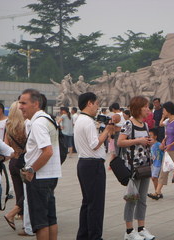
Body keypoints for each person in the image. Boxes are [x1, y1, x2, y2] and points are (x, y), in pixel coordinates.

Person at [18, 88, 62, 240]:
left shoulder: (37, 123)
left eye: (24, 103)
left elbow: (47, 151)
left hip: (39, 177)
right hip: (51, 175)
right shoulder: (48, 119)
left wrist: (31, 170)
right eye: (19, 103)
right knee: (51, 218)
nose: (20, 106)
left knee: (40, 222)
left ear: (36, 104)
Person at [74, 92, 114, 240]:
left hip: (84, 164)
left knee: (87, 202)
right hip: (93, 165)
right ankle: (95, 236)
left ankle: (83, 235)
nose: (97, 107)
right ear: (89, 103)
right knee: (96, 204)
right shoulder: (88, 121)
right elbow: (95, 144)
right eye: (96, 104)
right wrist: (107, 131)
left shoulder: (80, 119)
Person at [118, 96, 155, 240]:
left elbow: (143, 143)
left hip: (145, 166)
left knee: (142, 199)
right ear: (138, 108)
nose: (148, 109)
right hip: (133, 167)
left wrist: (149, 142)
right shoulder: (128, 124)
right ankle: (128, 231)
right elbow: (120, 142)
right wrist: (138, 140)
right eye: (145, 106)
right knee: (132, 198)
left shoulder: (145, 125)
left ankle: (141, 228)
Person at [148, 101, 174, 200]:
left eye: (164, 110)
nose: (163, 111)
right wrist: (165, 141)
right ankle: (157, 192)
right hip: (168, 150)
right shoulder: (168, 121)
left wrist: (171, 144)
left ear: (169, 110)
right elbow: (162, 126)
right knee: (163, 171)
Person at [3, 101, 27, 231]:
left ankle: (23, 223)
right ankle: (12, 214)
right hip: (24, 162)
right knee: (28, 192)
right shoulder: (25, 126)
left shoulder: (8, 125)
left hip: (13, 162)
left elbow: (6, 146)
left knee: (19, 193)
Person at [149, 128, 164, 192]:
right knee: (154, 178)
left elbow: (163, 150)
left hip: (157, 163)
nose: (149, 137)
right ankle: (157, 191)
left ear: (155, 136)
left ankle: (157, 192)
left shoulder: (158, 144)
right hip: (152, 163)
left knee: (154, 177)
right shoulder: (149, 144)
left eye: (151, 135)